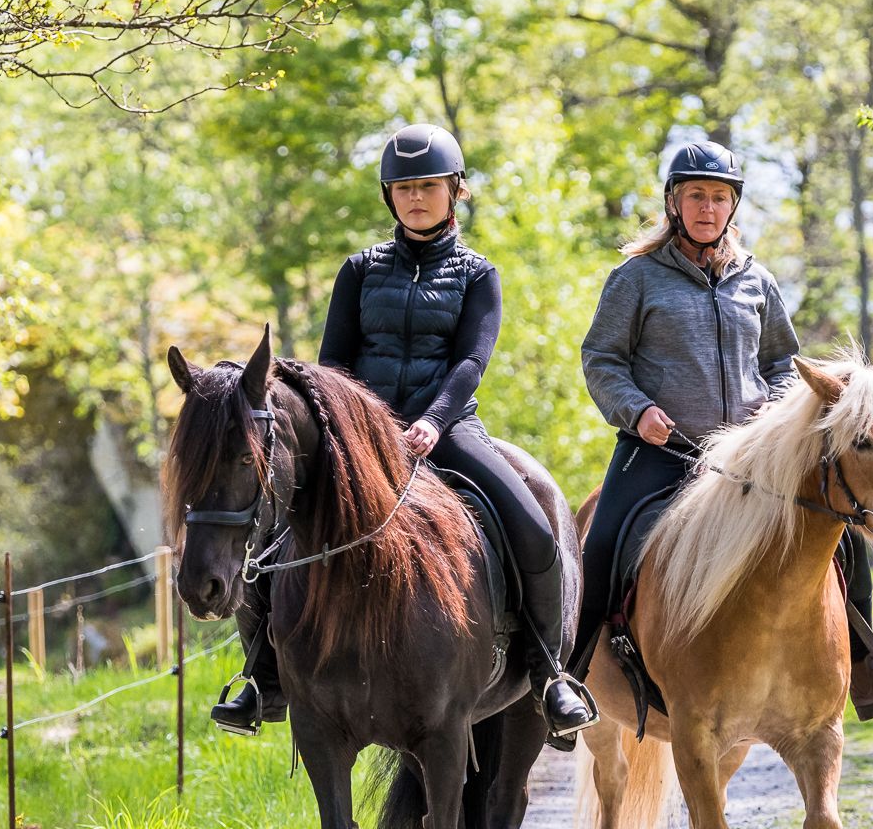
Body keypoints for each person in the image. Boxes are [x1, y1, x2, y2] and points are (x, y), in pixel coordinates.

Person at [210, 123, 600, 743]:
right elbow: (332, 364)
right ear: (389, 197)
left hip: (446, 429)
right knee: (275, 530)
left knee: (533, 525)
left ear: (455, 191)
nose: (416, 197)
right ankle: (263, 675)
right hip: (359, 440)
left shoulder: (479, 274)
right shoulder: (360, 271)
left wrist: (433, 420)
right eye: (403, 187)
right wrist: (354, 428)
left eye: (428, 186)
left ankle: (551, 674)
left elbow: (471, 361)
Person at [566, 139, 873, 721]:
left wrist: (770, 420)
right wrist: (636, 411)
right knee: (605, 539)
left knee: (842, 531)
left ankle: (871, 669)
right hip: (660, 451)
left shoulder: (756, 282)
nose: (707, 208)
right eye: (696, 197)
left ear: (732, 207)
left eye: (719, 197)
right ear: (673, 202)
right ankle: (573, 678)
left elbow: (782, 367)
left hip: (747, 461)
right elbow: (602, 360)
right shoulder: (635, 278)